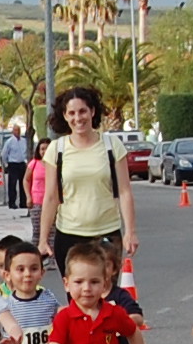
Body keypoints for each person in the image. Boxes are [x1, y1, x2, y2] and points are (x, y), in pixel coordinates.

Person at [41, 86, 138, 275]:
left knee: (106, 296)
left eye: (83, 111)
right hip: (69, 234)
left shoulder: (112, 146)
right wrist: (43, 239)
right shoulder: (56, 149)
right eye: (72, 113)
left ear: (92, 112)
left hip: (106, 233)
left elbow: (125, 192)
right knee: (78, 297)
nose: (78, 118)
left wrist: (130, 232)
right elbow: (51, 197)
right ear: (65, 116)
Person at [0, 120, 33, 224]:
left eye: (19, 130)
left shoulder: (23, 141)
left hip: (22, 164)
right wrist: (6, 164)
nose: (17, 132)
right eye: (16, 130)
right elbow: (4, 154)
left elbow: (26, 152)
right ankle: (12, 203)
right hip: (13, 164)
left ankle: (23, 202)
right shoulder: (9, 142)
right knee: (12, 184)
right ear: (13, 132)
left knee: (23, 184)